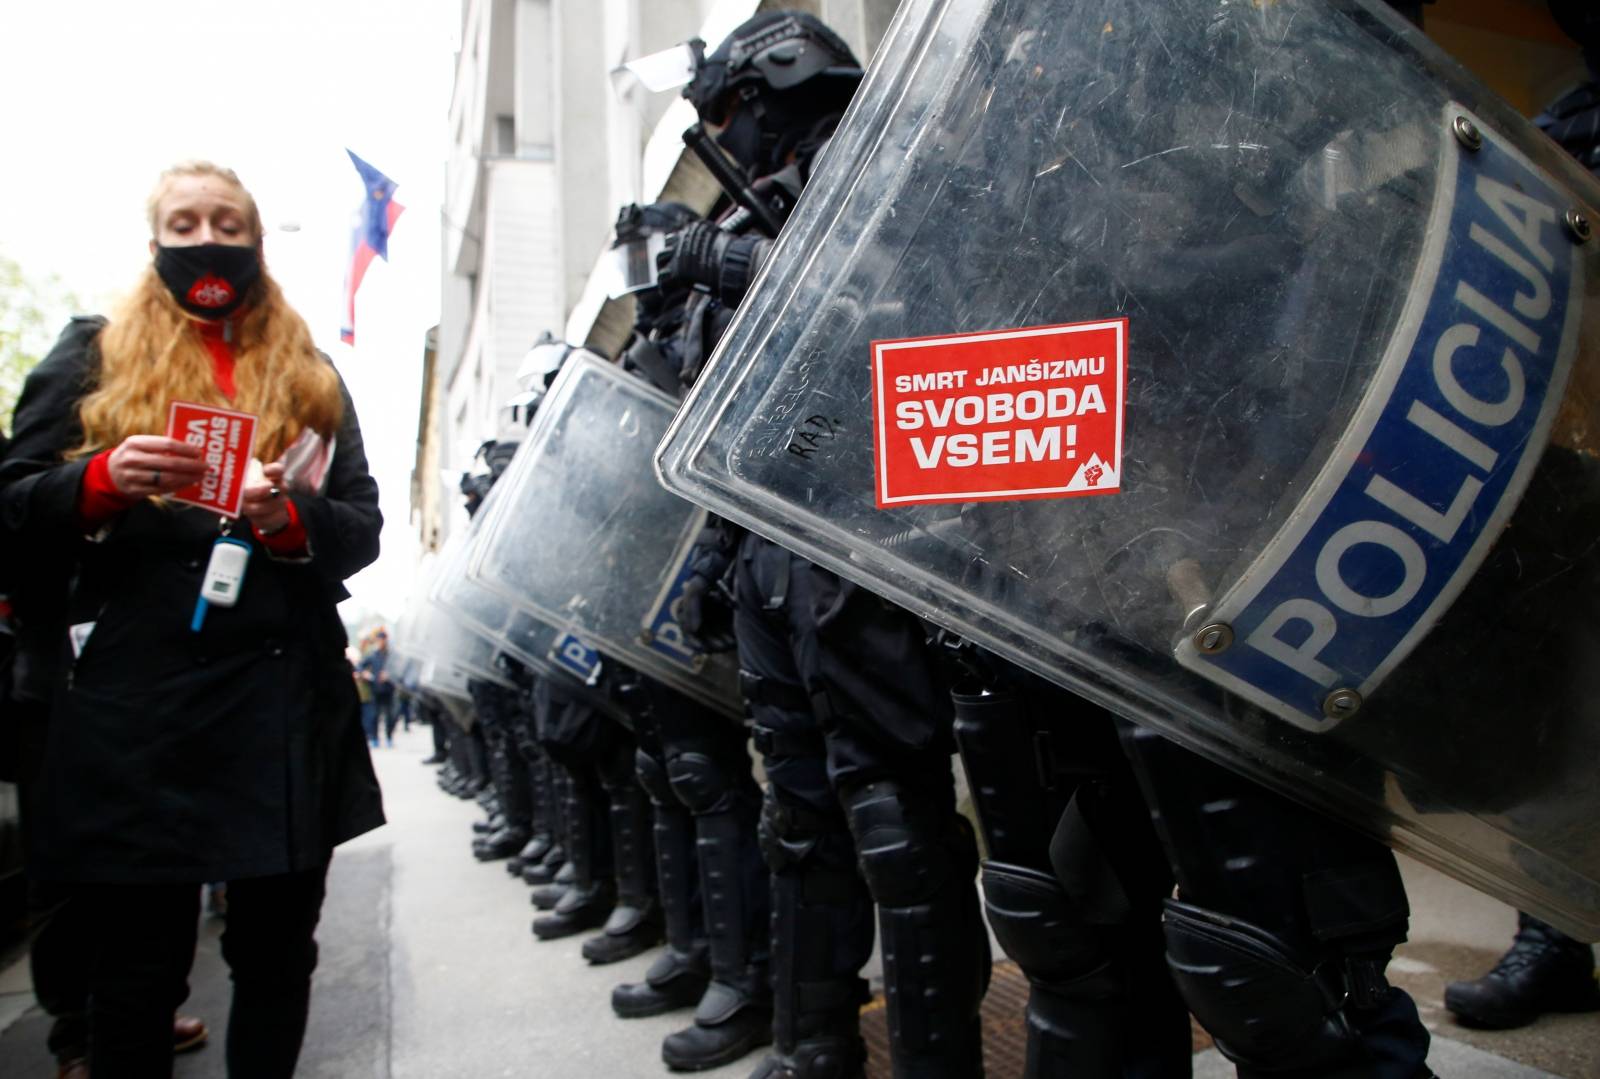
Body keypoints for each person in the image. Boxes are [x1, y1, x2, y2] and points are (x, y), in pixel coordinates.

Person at [0, 160, 385, 1079]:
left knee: (278, 953)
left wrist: (286, 517)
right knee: (136, 968)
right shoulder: (92, 354)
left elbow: (363, 526)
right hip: (141, 709)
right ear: (155, 244)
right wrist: (98, 481)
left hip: (281, 699)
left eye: (226, 223)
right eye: (184, 225)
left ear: (255, 240)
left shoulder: (312, 374)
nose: (206, 240)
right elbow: (11, 505)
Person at [659, 15, 991, 1076]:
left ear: (767, 88)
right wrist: (715, 556)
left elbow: (894, 315)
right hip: (771, 539)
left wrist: (742, 260)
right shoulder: (779, 192)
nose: (726, 137)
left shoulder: (885, 158)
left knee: (892, 816)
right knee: (797, 815)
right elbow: (737, 411)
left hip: (863, 536)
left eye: (729, 113)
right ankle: (813, 1046)